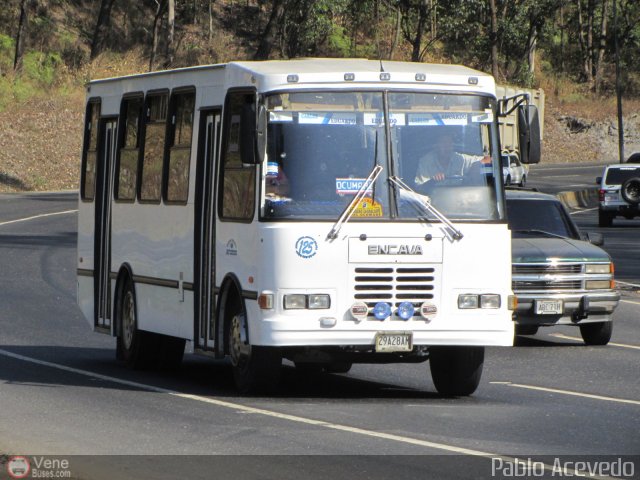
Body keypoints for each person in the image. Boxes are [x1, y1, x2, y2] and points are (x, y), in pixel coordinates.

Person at [414, 132, 485, 187]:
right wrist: (433, 181)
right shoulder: (425, 162)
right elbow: (419, 188)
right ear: (435, 146)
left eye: (449, 143)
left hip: (459, 201)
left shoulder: (460, 159)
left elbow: (487, 159)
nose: (447, 146)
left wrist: (476, 167)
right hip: (431, 203)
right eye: (443, 143)